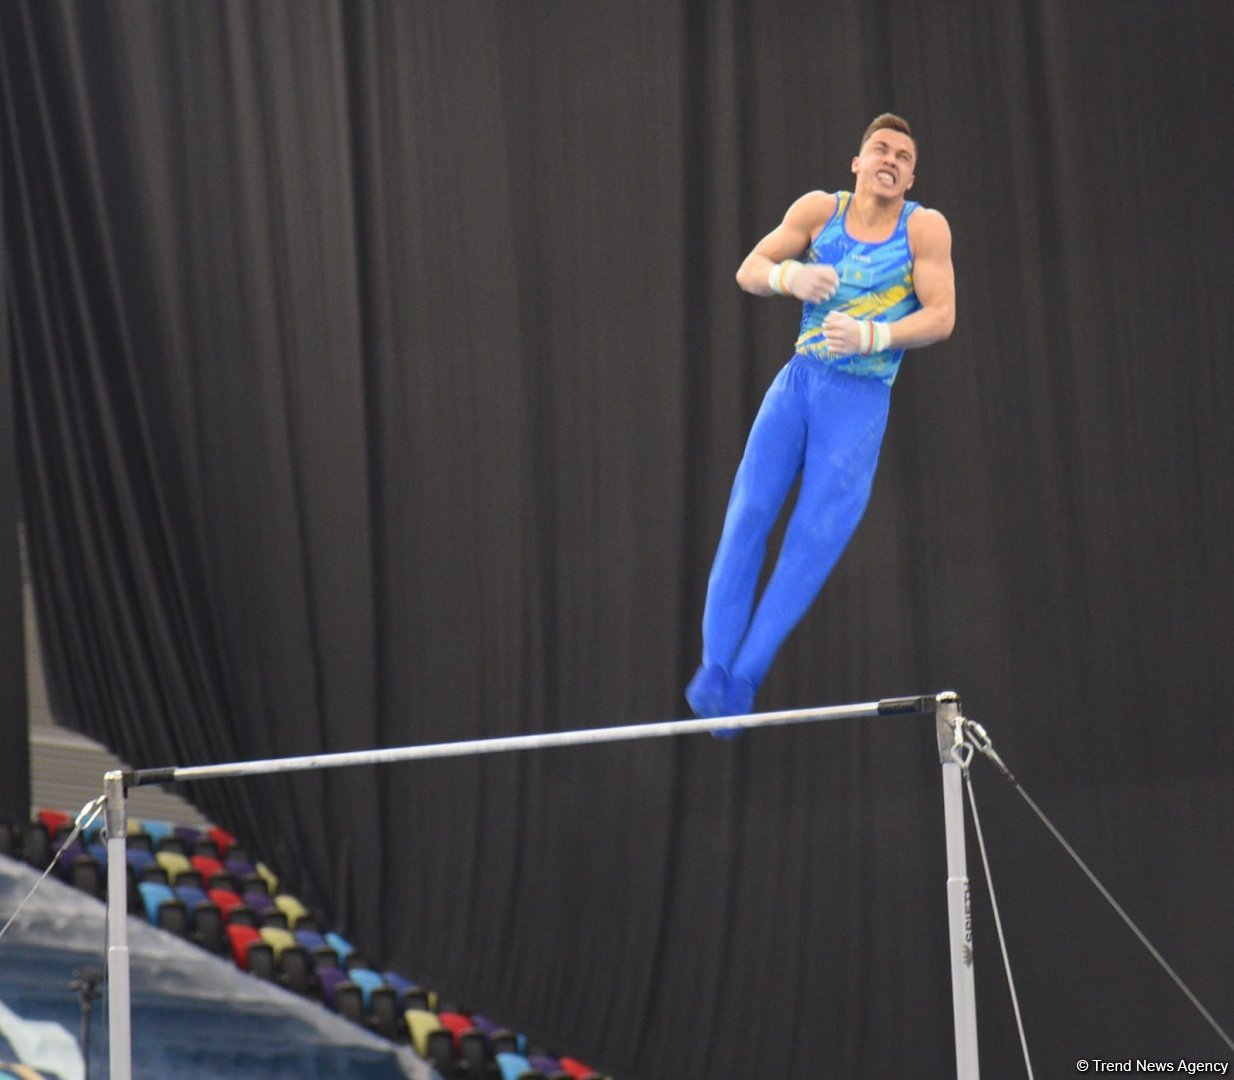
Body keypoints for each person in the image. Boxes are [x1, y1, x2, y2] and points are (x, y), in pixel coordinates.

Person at [686, 113, 955, 720]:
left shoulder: (925, 230)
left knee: (811, 541)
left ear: (911, 177)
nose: (890, 159)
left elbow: (941, 317)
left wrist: (871, 335)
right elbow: (748, 268)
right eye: (879, 149)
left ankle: (745, 677)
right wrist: (790, 275)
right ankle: (715, 665)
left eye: (903, 157)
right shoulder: (818, 210)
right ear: (857, 163)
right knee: (748, 513)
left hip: (857, 403)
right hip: (798, 387)